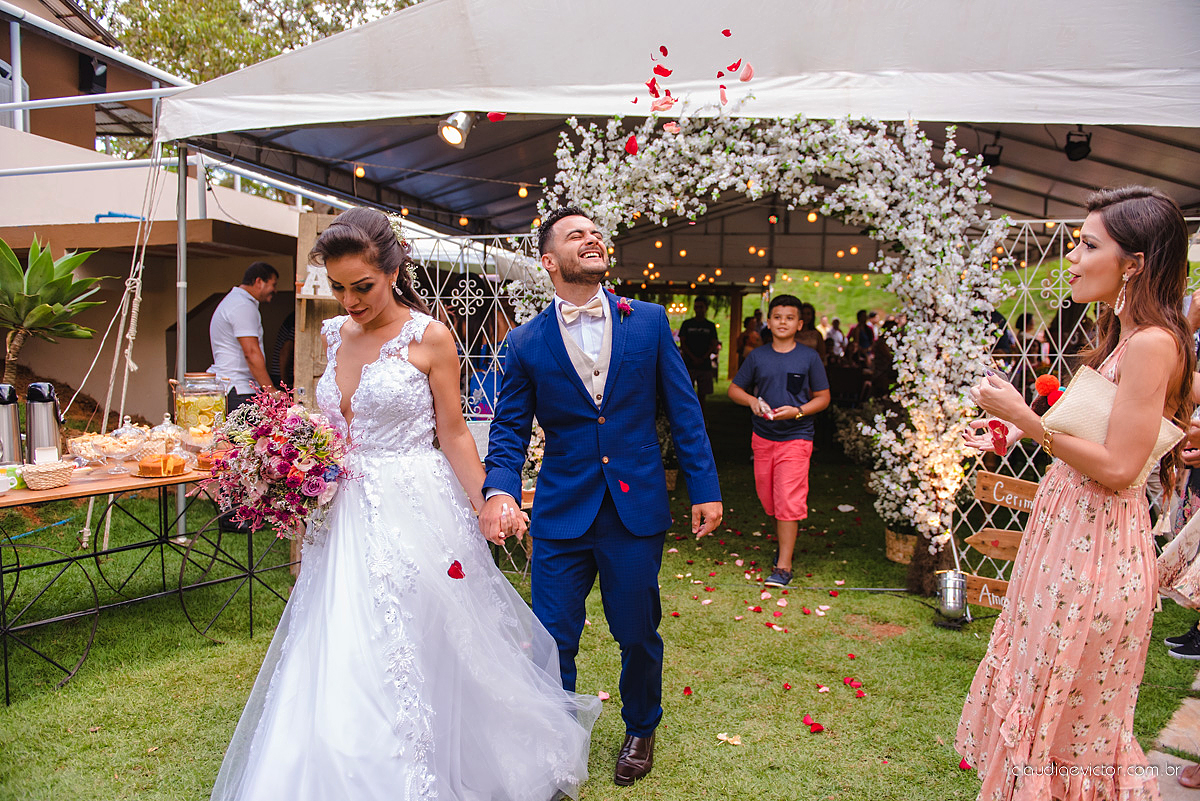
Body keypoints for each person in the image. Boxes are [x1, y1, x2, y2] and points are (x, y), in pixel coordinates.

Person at [210, 208, 598, 801]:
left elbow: (456, 432)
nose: (350, 301)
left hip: (414, 504)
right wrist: (288, 457)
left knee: (420, 632)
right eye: (338, 288)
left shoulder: (430, 338)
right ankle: (341, 760)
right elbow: (329, 422)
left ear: (392, 270)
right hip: (340, 510)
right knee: (339, 631)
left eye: (361, 286)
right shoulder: (332, 334)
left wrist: (490, 499)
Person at [957, 186, 1194, 800]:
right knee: (1050, 716)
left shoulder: (1151, 343)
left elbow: (1119, 467)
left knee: (1073, 729)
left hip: (1096, 559)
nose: (1073, 257)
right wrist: (1014, 430)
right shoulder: (1127, 335)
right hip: (1068, 541)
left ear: (1134, 262)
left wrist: (1029, 419)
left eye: (1088, 245)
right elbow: (1106, 436)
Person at [479, 206, 723, 788]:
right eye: (574, 235)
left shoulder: (649, 322)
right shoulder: (525, 342)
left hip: (633, 508)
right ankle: (556, 741)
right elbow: (510, 429)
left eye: (595, 232)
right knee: (552, 637)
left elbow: (683, 411)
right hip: (563, 511)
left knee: (636, 630)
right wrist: (499, 492)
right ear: (548, 260)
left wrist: (705, 486)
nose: (591, 238)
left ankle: (641, 726)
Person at [727, 294, 830, 588]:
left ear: (800, 324)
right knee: (769, 499)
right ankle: (783, 546)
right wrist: (752, 401)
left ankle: (783, 567)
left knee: (787, 499)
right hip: (763, 436)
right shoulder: (757, 356)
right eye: (777, 317)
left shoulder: (809, 357)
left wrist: (797, 412)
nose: (782, 322)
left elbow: (823, 398)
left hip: (797, 437)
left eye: (789, 318)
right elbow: (735, 389)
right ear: (768, 322)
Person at [208, 262, 278, 410]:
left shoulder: (236, 302)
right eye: (273, 284)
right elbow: (251, 352)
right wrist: (270, 390)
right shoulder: (242, 305)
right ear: (259, 282)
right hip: (238, 388)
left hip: (232, 386)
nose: (275, 290)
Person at [678, 296, 720, 413]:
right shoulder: (687, 324)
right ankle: (687, 414)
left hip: (704, 364)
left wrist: (703, 357)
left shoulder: (710, 326)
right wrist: (693, 357)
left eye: (701, 307)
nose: (699, 309)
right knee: (687, 391)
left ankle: (701, 415)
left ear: (705, 308)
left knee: (703, 394)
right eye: (696, 307)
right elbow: (683, 343)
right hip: (689, 363)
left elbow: (713, 344)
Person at [268, 311, 295, 389]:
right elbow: (285, 352)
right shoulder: (296, 321)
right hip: (281, 376)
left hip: (281, 375)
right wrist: (284, 382)